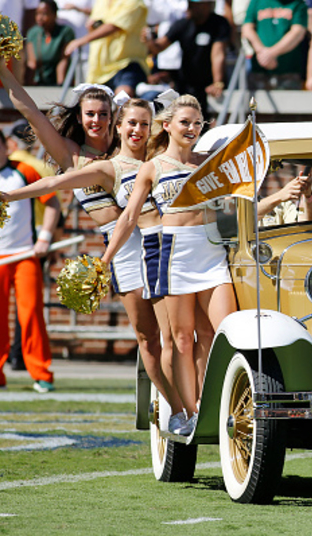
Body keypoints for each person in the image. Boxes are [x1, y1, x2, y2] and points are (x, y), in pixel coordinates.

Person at [0, 60, 183, 426]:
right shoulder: (69, 155)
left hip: (158, 238)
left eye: (102, 113)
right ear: (80, 118)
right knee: (148, 338)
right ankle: (171, 406)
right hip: (120, 247)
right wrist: (2, 69)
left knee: (176, 333)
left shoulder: (132, 144)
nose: (96, 120)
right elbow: (28, 109)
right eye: (89, 114)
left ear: (114, 115)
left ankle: (187, 401)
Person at [103, 95, 238, 436]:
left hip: (212, 253)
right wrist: (105, 260)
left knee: (220, 333)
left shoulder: (209, 163)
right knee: (181, 340)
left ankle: (215, 404)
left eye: (197, 123)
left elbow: (236, 206)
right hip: (174, 254)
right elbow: (129, 217)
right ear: (168, 126)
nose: (192, 128)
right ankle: (191, 414)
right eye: (185, 122)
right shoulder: (154, 166)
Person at [0, 128, 59, 392]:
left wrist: (45, 237)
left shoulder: (24, 171)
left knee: (30, 313)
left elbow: (52, 204)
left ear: (5, 146)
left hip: (24, 255)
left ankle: (41, 373)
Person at [144, 0, 231, 116]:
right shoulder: (183, 24)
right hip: (186, 82)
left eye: (193, 4)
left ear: (207, 5)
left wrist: (217, 82)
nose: (188, 8)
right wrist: (149, 41)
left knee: (202, 121)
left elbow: (218, 54)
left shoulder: (219, 24)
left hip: (207, 84)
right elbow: (159, 47)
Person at [63, 0, 149, 97]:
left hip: (126, 65)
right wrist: (92, 27)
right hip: (100, 70)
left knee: (123, 96)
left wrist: (82, 40)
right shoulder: (101, 2)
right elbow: (96, 26)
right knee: (96, 105)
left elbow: (115, 26)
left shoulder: (133, 2)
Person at [241, 0, 308, 90]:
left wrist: (272, 53)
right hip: (259, 69)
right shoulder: (257, 2)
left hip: (288, 69)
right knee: (256, 103)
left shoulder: (298, 3)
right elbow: (247, 29)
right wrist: (262, 52)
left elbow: (298, 32)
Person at [26, 0, 76, 86]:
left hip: (58, 82)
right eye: (37, 14)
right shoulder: (33, 33)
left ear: (54, 14)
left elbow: (63, 60)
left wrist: (60, 85)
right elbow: (31, 62)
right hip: (38, 83)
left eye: (44, 14)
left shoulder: (65, 32)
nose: (39, 18)